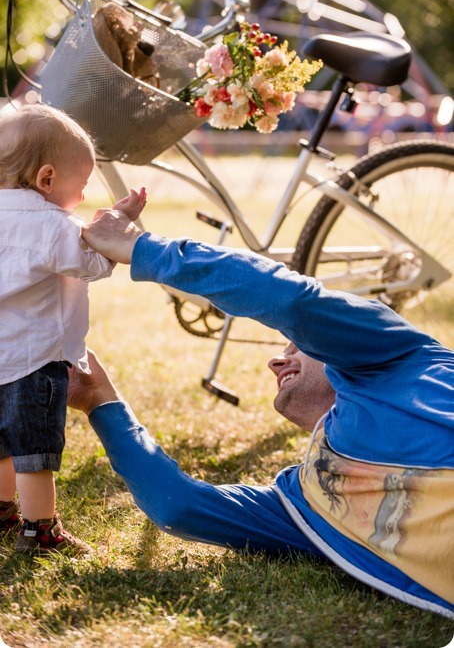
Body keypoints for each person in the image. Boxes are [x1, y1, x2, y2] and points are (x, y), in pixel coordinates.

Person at [68, 208, 453, 619]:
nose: (275, 360)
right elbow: (178, 506)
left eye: (292, 347)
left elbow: (288, 299)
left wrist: (141, 248)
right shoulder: (303, 500)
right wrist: (100, 401)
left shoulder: (400, 354)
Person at [0, 104, 147, 555]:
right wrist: (115, 226)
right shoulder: (52, 224)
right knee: (32, 451)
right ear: (47, 179)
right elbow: (95, 262)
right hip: (32, 359)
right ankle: (40, 531)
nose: (82, 198)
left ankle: (2, 512)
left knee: (2, 444)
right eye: (80, 186)